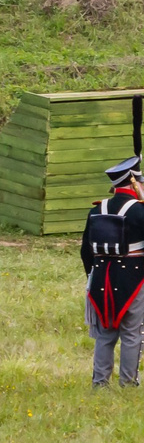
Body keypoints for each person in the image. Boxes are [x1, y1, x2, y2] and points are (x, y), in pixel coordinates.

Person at [85, 156, 144, 388]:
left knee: (106, 334)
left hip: (101, 278)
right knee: (132, 333)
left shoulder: (97, 209)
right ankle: (128, 383)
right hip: (133, 278)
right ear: (133, 182)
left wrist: (94, 274)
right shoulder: (140, 212)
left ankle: (100, 383)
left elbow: (85, 251)